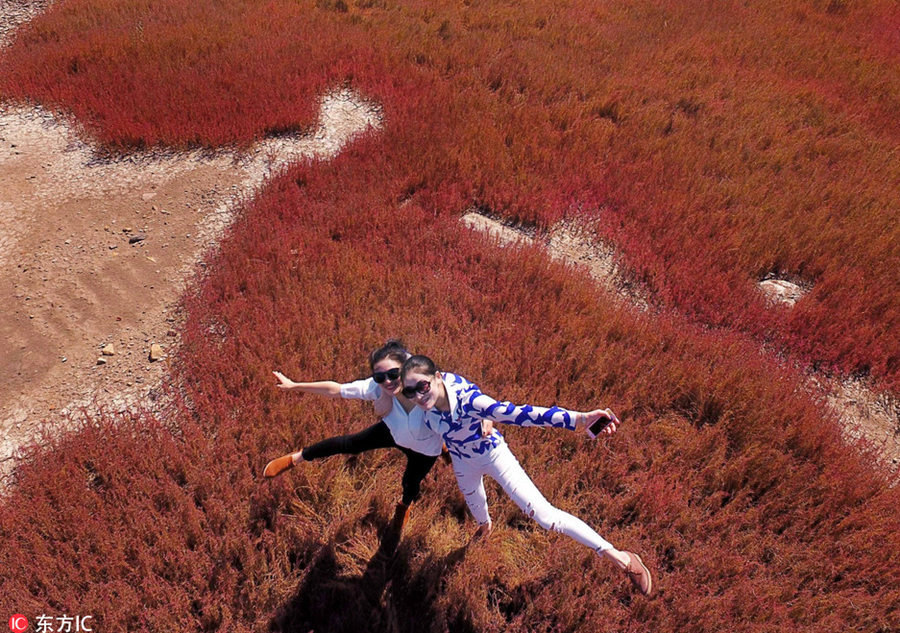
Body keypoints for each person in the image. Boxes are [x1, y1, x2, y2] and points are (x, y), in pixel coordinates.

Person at [400, 354, 653, 596]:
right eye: (410, 392)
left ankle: (620, 557)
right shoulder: (425, 399)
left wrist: (579, 419)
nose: (419, 396)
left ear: (438, 377)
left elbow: (520, 414)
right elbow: (407, 372)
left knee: (546, 518)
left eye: (423, 386)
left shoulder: (469, 401)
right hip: (462, 462)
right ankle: (485, 527)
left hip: (492, 454)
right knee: (475, 504)